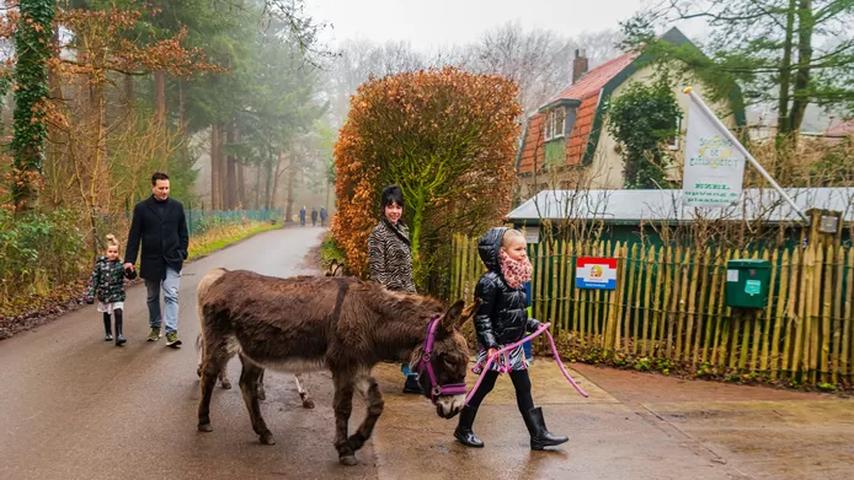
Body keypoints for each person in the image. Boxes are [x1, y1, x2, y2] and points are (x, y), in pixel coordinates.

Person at [454, 227, 568, 450]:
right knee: (484, 387)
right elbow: (483, 317)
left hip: (514, 347)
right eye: (518, 249)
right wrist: (490, 345)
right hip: (496, 348)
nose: (524, 253)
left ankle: (538, 435)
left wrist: (532, 324)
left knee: (524, 387)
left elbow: (515, 314)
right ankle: (463, 428)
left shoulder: (517, 279)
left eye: (525, 248)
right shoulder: (489, 282)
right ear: (501, 252)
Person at [124, 172, 189, 348]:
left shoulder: (177, 207)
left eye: (167, 188)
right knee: (152, 296)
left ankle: (171, 332)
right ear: (153, 187)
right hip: (151, 260)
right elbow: (134, 236)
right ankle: (155, 327)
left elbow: (183, 233)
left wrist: (182, 252)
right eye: (161, 188)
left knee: (171, 294)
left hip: (172, 259)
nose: (164, 191)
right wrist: (129, 260)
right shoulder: (142, 209)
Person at [367, 185, 420, 394]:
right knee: (409, 335)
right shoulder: (378, 235)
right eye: (390, 207)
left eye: (398, 207)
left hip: (409, 294)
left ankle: (412, 374)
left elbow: (407, 269)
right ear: (383, 208)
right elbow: (377, 273)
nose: (395, 211)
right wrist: (391, 300)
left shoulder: (403, 229)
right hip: (393, 297)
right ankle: (411, 376)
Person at [86, 234, 129, 346]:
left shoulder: (121, 265)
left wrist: (130, 271)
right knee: (106, 313)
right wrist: (90, 294)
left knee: (118, 312)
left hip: (117, 293)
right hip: (104, 294)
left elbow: (130, 276)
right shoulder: (100, 265)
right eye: (110, 251)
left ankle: (119, 335)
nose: (112, 254)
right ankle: (108, 332)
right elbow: (94, 280)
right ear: (106, 252)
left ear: (118, 253)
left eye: (115, 252)